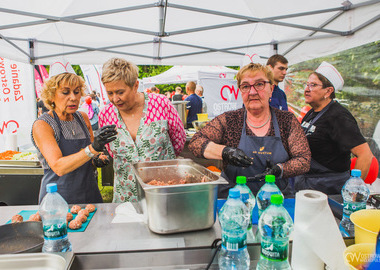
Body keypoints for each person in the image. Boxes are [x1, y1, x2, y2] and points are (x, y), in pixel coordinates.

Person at [188, 63, 311, 197]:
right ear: (240, 91)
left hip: (276, 200)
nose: (252, 92)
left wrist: (280, 169)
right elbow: (195, 142)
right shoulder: (230, 120)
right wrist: (225, 152)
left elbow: (303, 159)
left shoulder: (286, 120)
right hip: (234, 201)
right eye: (245, 86)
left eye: (259, 84)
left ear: (271, 88)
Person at [98, 58, 186, 203]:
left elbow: (178, 141)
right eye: (110, 93)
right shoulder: (106, 115)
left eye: (120, 92)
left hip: (162, 190)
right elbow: (111, 150)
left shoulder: (160, 104)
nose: (115, 99)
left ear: (135, 85)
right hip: (125, 194)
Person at [31, 72, 117, 204]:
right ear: (51, 96)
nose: (73, 97)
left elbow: (90, 155)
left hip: (89, 191)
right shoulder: (43, 124)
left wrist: (97, 159)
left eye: (77, 92)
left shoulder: (82, 118)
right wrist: (92, 149)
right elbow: (59, 167)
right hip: (59, 197)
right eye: (65, 92)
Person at [295, 62, 374, 195]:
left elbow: (365, 155)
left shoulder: (338, 116)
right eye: (306, 84)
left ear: (328, 91)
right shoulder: (312, 113)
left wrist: (353, 192)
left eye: (313, 85)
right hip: (309, 182)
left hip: (329, 188)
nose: (306, 89)